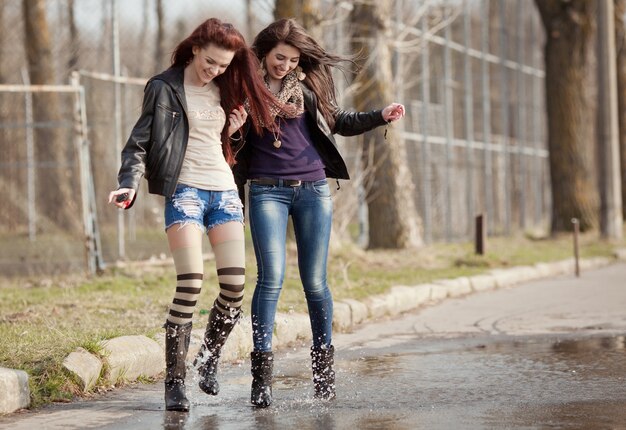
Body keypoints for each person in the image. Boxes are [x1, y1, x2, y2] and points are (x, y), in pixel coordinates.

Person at [108, 18, 280, 412]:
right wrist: (128, 183)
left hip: (224, 194)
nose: (215, 70)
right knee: (190, 283)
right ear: (196, 47)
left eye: (223, 65)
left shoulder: (226, 88)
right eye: (211, 62)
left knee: (234, 288)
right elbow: (139, 142)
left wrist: (235, 132)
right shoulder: (164, 87)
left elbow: (221, 144)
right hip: (185, 193)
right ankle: (175, 382)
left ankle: (207, 359)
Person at [233, 18, 405, 408]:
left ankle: (323, 375)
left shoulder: (308, 85)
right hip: (265, 192)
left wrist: (381, 114)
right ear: (264, 52)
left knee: (315, 282)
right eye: (280, 57)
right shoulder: (244, 87)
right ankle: (262, 381)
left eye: (293, 59)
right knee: (271, 280)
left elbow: (338, 121)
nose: (286, 65)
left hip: (313, 190)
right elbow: (229, 134)